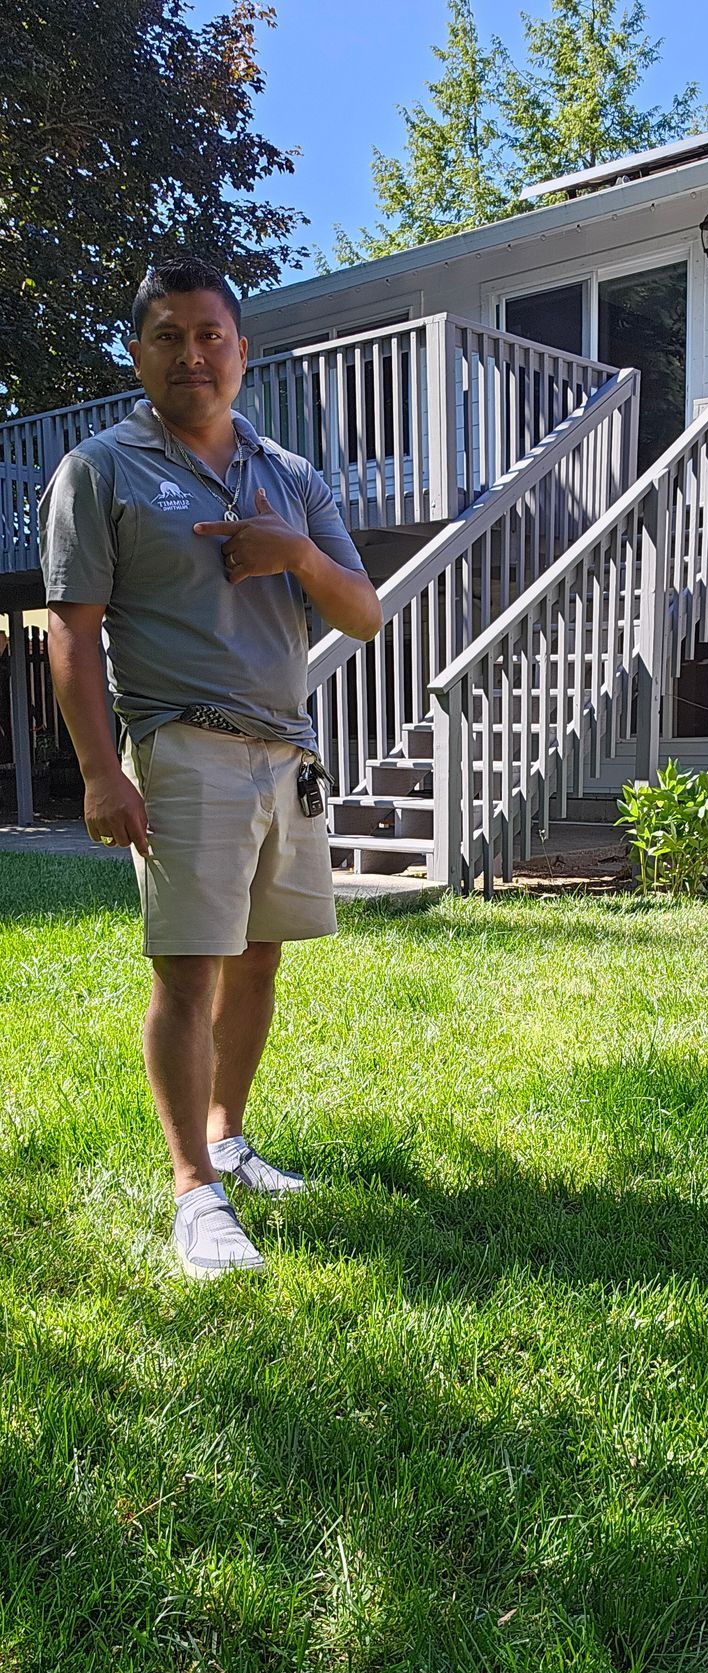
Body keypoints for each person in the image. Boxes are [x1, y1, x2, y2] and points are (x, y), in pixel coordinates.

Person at [38, 256, 382, 1280]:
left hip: (289, 752)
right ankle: (193, 1191)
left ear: (241, 349)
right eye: (168, 336)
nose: (192, 354)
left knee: (261, 957)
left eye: (209, 334)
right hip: (181, 743)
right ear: (139, 354)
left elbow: (362, 613)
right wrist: (102, 771)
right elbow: (70, 632)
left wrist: (298, 555)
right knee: (187, 971)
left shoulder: (293, 478)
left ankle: (228, 1136)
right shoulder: (100, 469)